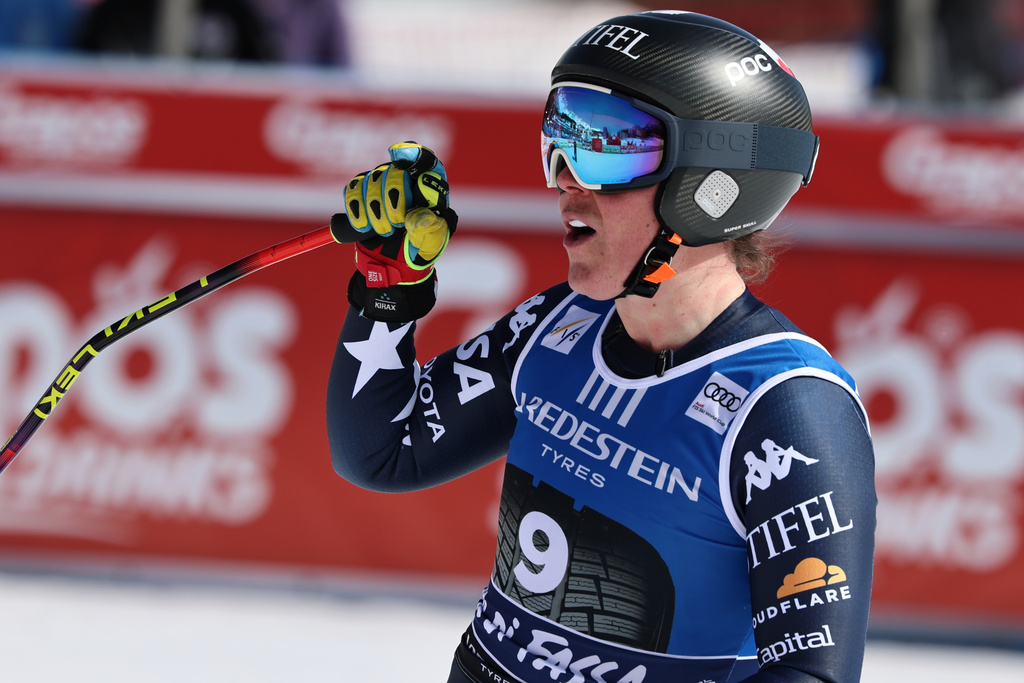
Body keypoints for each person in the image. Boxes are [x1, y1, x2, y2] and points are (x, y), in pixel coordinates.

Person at [326, 11, 875, 683]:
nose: (564, 177)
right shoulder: (560, 325)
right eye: (559, 137)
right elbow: (383, 449)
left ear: (713, 185)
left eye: (608, 148)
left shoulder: (788, 407)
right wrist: (389, 283)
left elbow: (811, 675)